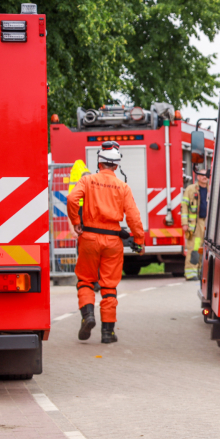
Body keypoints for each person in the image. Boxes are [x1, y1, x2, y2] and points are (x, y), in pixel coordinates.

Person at [68, 142, 144, 344]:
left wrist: (76, 221)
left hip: (89, 238)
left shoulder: (87, 180)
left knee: (85, 280)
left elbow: (72, 199)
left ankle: (88, 315)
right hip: (113, 241)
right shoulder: (123, 187)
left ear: (99, 163)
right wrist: (139, 240)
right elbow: (134, 217)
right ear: (116, 166)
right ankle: (107, 333)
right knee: (109, 286)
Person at [181, 169, 209, 281]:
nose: (204, 177)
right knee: (195, 248)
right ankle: (191, 273)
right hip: (196, 225)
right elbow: (184, 206)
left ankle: (201, 272)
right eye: (202, 175)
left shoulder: (211, 189)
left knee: (205, 249)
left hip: (207, 223)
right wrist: (185, 223)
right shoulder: (191, 189)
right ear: (198, 177)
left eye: (206, 175)